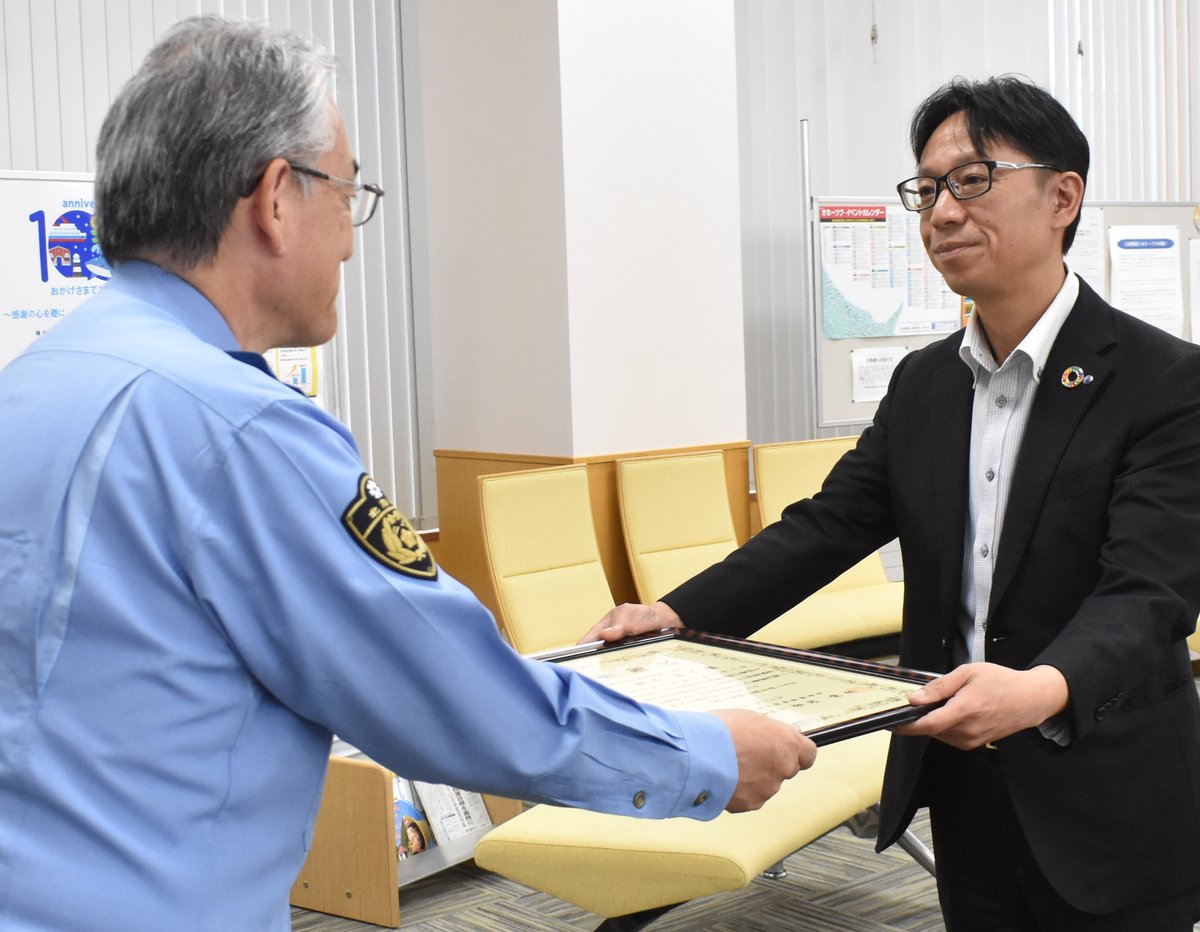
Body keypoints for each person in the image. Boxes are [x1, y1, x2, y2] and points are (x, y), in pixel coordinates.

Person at [0, 16, 816, 931]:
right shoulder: (240, 429)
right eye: (348, 193)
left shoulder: (35, 383)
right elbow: (451, 696)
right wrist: (703, 756)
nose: (352, 243)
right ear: (275, 198)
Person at [585, 75, 1200, 930]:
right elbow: (827, 526)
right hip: (961, 777)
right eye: (928, 188)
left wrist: (1042, 687)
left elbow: (1149, 589)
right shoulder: (924, 383)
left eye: (973, 180)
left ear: (1063, 198)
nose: (942, 212)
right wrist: (676, 615)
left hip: (1108, 786)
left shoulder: (1165, 380)